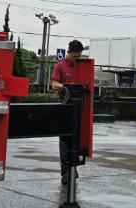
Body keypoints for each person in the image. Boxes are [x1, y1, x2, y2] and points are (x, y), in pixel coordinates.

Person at [51, 39, 84, 184]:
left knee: (77, 138)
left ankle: (74, 168)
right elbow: (53, 85)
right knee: (65, 139)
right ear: (69, 52)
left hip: (79, 107)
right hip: (64, 105)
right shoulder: (60, 65)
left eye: (79, 56)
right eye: (74, 56)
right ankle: (65, 170)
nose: (76, 59)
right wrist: (64, 87)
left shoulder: (82, 66)